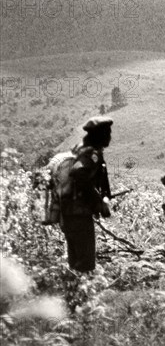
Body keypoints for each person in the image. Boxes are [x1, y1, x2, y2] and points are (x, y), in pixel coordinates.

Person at [59, 116, 113, 272]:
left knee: (75, 261)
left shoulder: (80, 149)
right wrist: (99, 201)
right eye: (107, 133)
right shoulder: (91, 154)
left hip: (68, 212)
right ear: (99, 135)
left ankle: (72, 293)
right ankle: (84, 294)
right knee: (85, 262)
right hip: (78, 214)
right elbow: (79, 173)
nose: (110, 136)